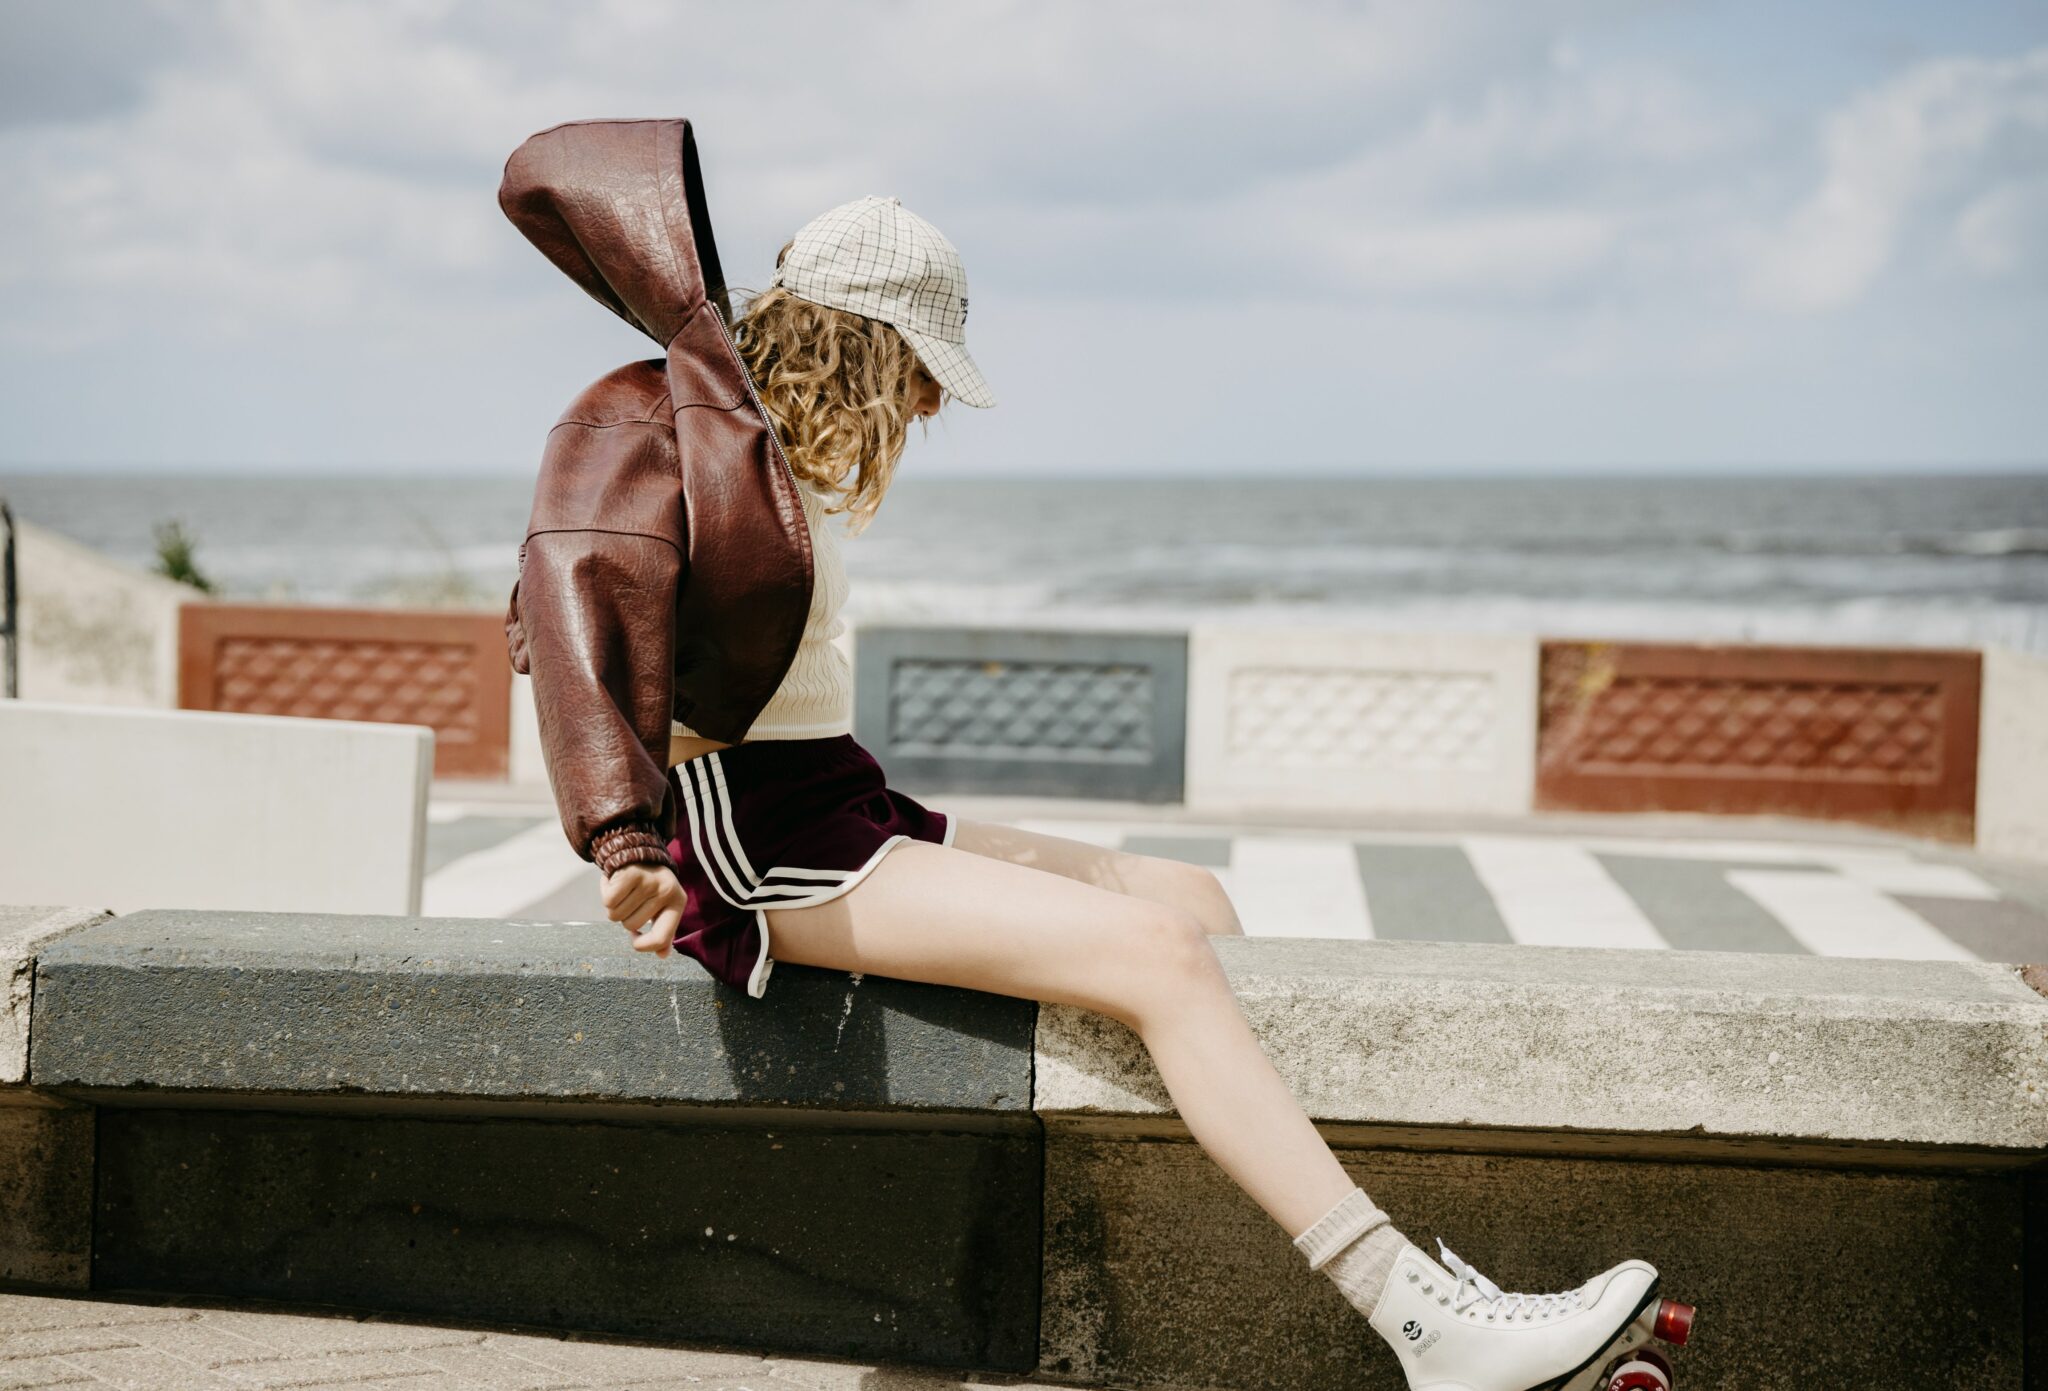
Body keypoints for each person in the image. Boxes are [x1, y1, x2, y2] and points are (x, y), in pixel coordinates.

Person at [501, 119, 1676, 1391]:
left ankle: (1350, 1252)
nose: (933, 401)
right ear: (868, 344)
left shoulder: (762, 448)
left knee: (1189, 901)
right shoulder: (659, 423)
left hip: (839, 801)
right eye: (922, 368)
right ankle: (1415, 1315)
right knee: (1151, 955)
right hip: (748, 835)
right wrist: (622, 839)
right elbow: (576, 600)